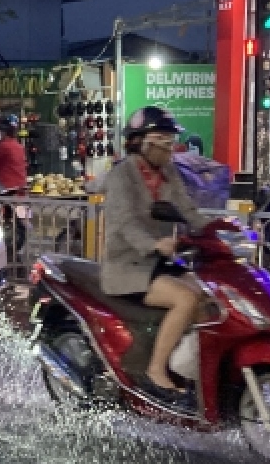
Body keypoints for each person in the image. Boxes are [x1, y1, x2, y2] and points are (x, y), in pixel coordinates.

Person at [89, 106, 211, 407]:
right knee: (186, 298)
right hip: (128, 265)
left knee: (210, 295)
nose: (170, 147)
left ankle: (187, 365)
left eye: (171, 141)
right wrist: (154, 245)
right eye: (162, 140)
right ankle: (156, 371)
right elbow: (124, 222)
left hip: (160, 261)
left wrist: (221, 231)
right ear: (141, 142)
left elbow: (187, 208)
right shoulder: (122, 175)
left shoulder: (168, 172)